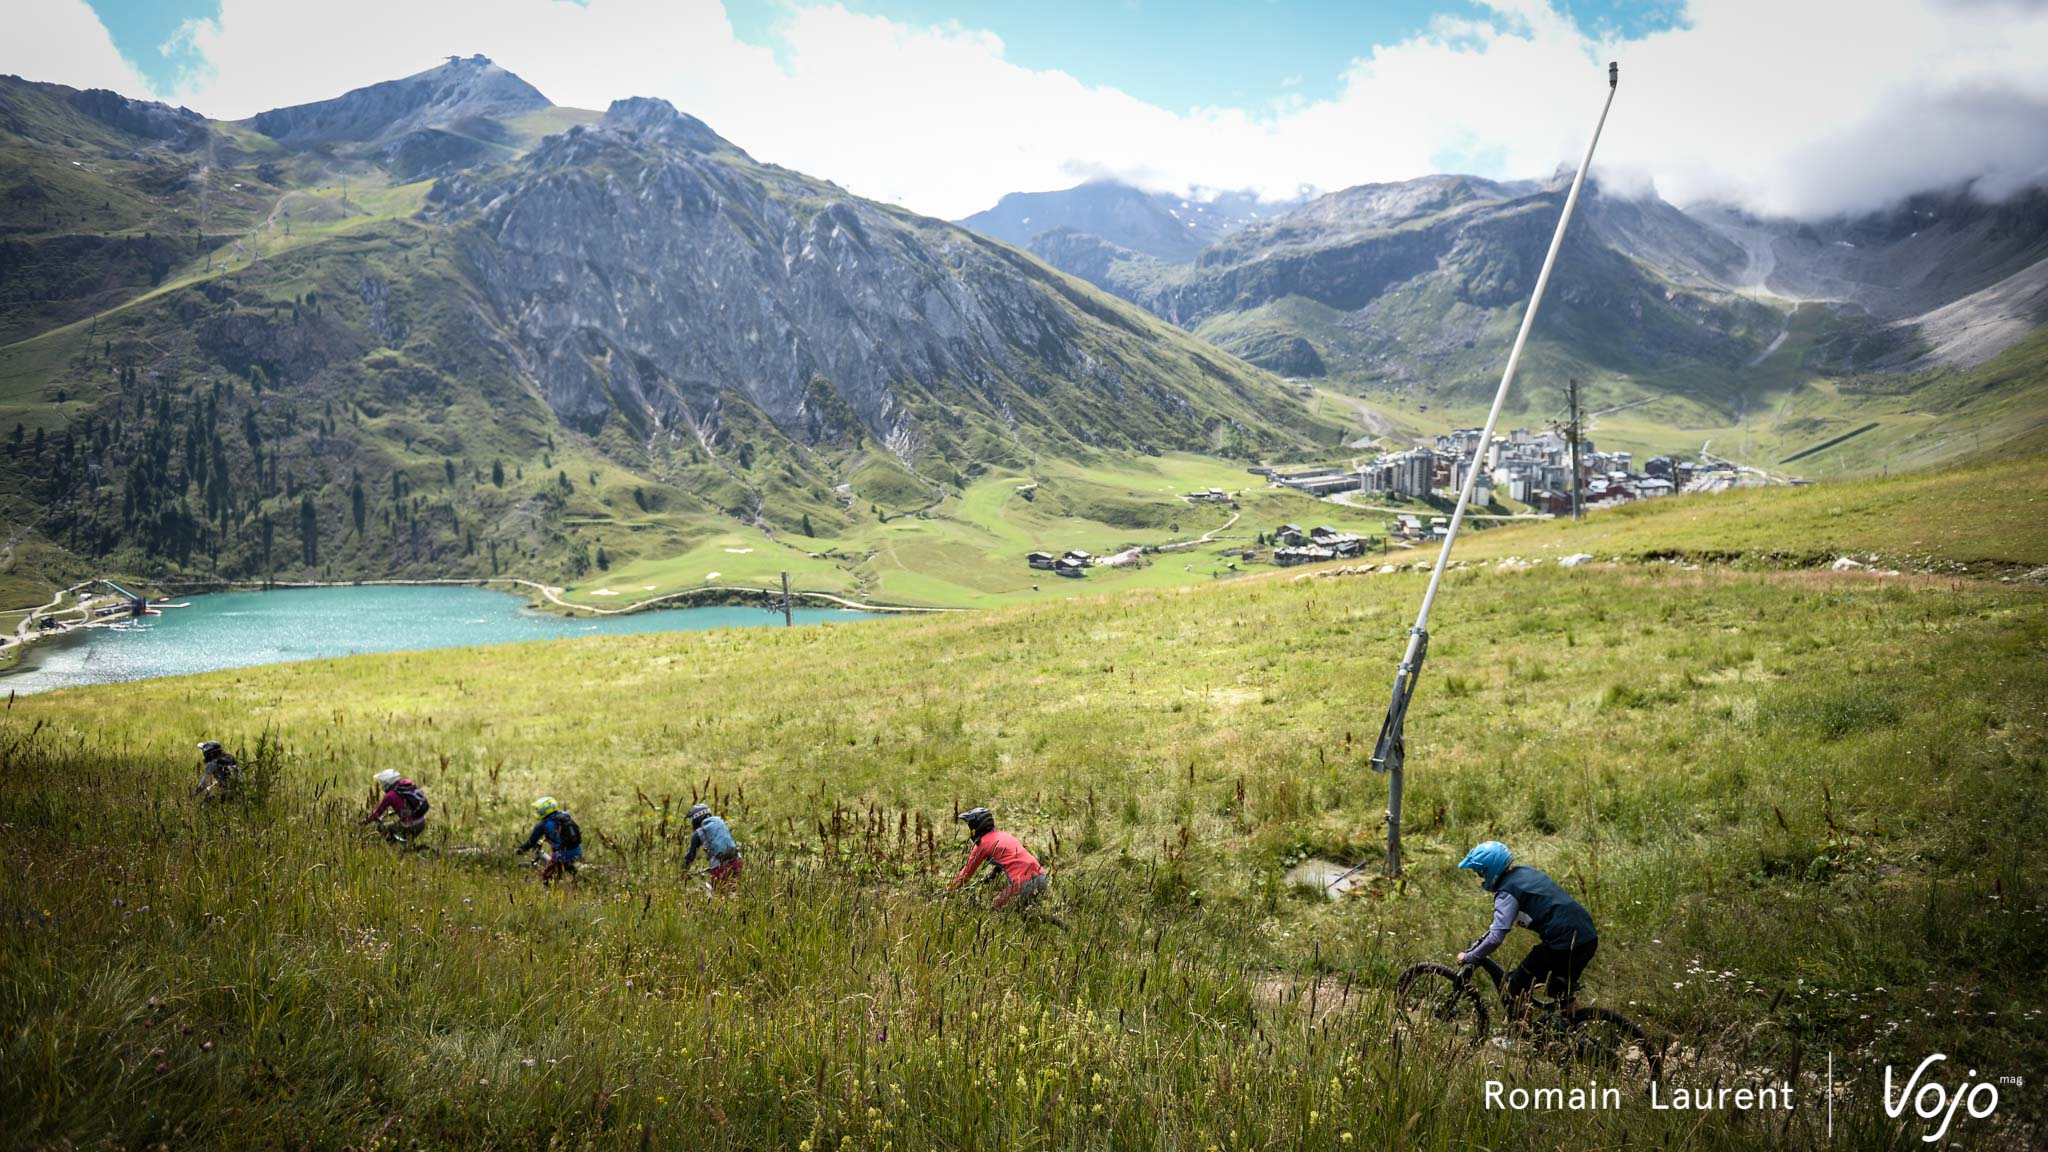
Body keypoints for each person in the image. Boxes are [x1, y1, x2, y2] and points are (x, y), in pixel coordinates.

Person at [1455, 841, 1598, 1019]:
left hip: (1564, 942)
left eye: (1479, 873)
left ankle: (1520, 1036)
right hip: (1587, 937)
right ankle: (1577, 1031)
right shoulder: (1524, 872)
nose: (1480, 877)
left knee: (1514, 987)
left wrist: (1470, 957)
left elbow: (1496, 938)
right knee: (1559, 991)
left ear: (1487, 871)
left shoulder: (1506, 893)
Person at [946, 807, 1048, 912]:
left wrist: (949, 890)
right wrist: (992, 876)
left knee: (997, 907)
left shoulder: (982, 844)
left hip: (1022, 882)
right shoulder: (1003, 835)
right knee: (1025, 912)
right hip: (1042, 877)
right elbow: (1011, 859)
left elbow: (965, 874)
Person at [517, 796, 583, 884]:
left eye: (538, 810)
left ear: (544, 810)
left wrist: (520, 850)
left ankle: (549, 893)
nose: (537, 812)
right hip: (578, 850)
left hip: (562, 855)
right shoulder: (564, 816)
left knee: (547, 878)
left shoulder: (542, 824)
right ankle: (577, 878)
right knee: (567, 871)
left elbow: (531, 842)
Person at [360, 768, 430, 843]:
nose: (382, 785)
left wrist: (366, 822)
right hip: (421, 822)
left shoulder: (390, 795)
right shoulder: (406, 787)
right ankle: (407, 849)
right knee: (407, 842)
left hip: (410, 825)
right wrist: (395, 812)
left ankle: (392, 848)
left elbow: (377, 813)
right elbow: (407, 805)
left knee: (383, 827)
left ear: (388, 783)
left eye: (383, 782)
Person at [682, 803, 741, 889]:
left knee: (719, 896)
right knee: (733, 890)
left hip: (719, 867)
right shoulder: (720, 822)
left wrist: (683, 869)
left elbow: (690, 855)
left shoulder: (698, 833)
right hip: (737, 860)